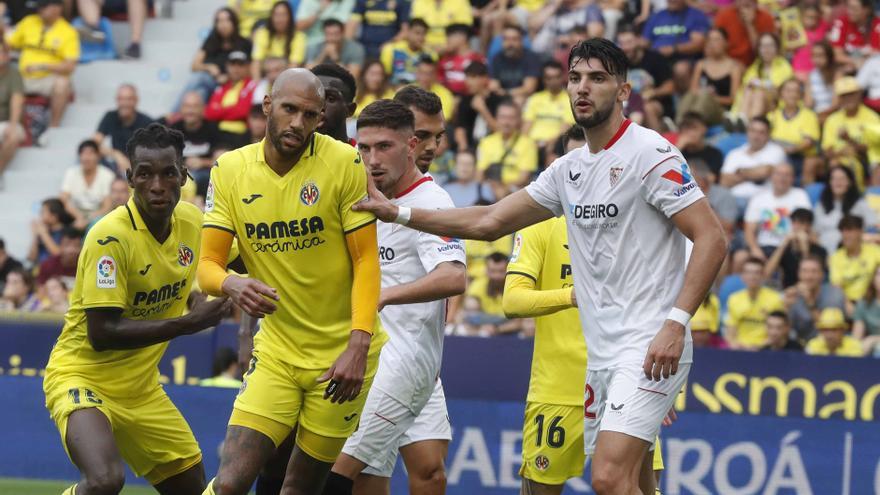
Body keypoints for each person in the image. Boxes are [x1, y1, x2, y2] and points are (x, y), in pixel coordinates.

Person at [353, 38, 727, 494]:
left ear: (624, 90)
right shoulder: (568, 170)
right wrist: (401, 213)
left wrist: (676, 322)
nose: (582, 89)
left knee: (609, 478)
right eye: (574, 78)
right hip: (601, 353)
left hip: (648, 343)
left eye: (597, 78)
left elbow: (711, 237)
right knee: (635, 482)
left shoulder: (651, 153)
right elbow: (489, 221)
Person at [198, 69, 386, 495]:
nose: (298, 124)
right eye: (289, 110)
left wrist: (358, 345)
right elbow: (208, 265)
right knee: (230, 483)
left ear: (322, 118)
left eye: (310, 115)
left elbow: (366, 261)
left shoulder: (344, 162)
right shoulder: (229, 170)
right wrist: (232, 284)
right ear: (268, 105)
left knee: (299, 488)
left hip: (341, 359)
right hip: (279, 352)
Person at [42, 123, 233, 495]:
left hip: (142, 390)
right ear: (130, 178)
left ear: (185, 176)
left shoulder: (193, 222)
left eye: (168, 173)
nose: (157, 185)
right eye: (145, 174)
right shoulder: (109, 237)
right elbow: (102, 333)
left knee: (191, 489)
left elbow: (232, 264)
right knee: (105, 481)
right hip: (82, 378)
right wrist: (187, 323)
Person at [503, 132, 667, 495]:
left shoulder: (633, 226)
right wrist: (574, 295)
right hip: (559, 390)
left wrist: (664, 387)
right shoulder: (540, 225)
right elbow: (512, 302)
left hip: (625, 383)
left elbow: (660, 307)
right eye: (576, 165)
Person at [324, 99, 466, 495]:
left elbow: (454, 277)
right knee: (367, 478)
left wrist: (382, 296)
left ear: (410, 145)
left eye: (383, 147)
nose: (371, 159)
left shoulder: (431, 203)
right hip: (364, 357)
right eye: (364, 149)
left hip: (404, 364)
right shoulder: (359, 197)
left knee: (337, 474)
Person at [5, 0, 78, 127]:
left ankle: (54, 127)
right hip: (22, 76)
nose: (40, 10)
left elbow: (70, 66)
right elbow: (8, 44)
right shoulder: (29, 21)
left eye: (44, 7)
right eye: (39, 7)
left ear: (57, 8)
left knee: (62, 83)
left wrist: (43, 66)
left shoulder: (68, 31)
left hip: (47, 79)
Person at [176, 7, 252, 111]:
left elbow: (248, 70)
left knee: (200, 77)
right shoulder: (212, 40)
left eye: (227, 20)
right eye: (219, 21)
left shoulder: (244, 43)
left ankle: (174, 113)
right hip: (212, 82)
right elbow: (194, 66)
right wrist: (209, 67)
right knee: (201, 92)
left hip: (231, 83)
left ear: (234, 22)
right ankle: (180, 117)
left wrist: (228, 77)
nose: (223, 24)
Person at [822, 76, 880, 190]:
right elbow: (827, 151)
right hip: (840, 160)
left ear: (859, 95)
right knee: (835, 164)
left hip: (867, 161)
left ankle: (875, 202)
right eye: (844, 95)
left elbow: (872, 150)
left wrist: (849, 140)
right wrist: (841, 153)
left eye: (851, 94)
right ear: (839, 98)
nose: (848, 98)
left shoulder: (872, 118)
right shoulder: (832, 119)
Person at [743, 163, 811, 260]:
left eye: (787, 175)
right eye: (778, 174)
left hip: (791, 246)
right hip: (764, 246)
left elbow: (805, 224)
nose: (782, 178)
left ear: (793, 178)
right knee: (740, 257)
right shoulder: (759, 198)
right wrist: (755, 249)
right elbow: (749, 229)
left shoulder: (800, 195)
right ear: (771, 177)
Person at [719, 116, 787, 204]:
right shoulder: (734, 153)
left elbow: (765, 172)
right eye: (753, 131)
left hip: (763, 201)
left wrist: (738, 172)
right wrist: (753, 175)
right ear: (747, 132)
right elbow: (724, 181)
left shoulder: (776, 150)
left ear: (768, 134)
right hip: (732, 199)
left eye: (761, 133)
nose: (756, 136)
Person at [476, 99, 538, 195]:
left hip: (515, 190)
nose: (506, 122)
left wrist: (503, 187)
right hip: (490, 187)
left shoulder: (528, 143)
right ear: (496, 118)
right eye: (503, 117)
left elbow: (524, 178)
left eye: (511, 118)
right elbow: (480, 174)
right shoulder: (486, 142)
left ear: (518, 120)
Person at [767, 78, 822, 184]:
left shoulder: (809, 115)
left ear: (800, 95)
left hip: (797, 157)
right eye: (788, 91)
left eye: (796, 91)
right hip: (774, 155)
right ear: (781, 94)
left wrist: (788, 150)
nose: (792, 94)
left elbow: (808, 142)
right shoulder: (772, 116)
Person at [724, 257, 784, 350]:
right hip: (740, 350)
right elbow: (730, 331)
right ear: (742, 276)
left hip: (766, 349)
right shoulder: (734, 299)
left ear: (763, 275)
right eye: (748, 272)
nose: (752, 276)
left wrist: (759, 346)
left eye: (757, 272)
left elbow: (778, 331)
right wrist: (735, 344)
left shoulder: (775, 299)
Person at [684, 27, 743, 120]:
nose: (712, 43)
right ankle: (680, 123)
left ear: (726, 43)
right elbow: (693, 91)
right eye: (710, 40)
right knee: (690, 96)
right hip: (698, 104)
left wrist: (712, 98)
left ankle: (691, 123)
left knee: (704, 97)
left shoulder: (734, 67)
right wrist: (703, 93)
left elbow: (734, 99)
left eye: (716, 40)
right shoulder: (701, 64)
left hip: (721, 110)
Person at [814, 166, 877, 254]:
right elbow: (814, 233)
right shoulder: (821, 205)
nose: (838, 182)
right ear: (829, 183)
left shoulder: (860, 204)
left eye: (842, 179)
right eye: (834, 179)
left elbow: (875, 227)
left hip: (852, 255)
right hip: (824, 253)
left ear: (850, 182)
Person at [171, 92, 223, 197]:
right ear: (181, 109)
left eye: (195, 106)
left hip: (205, 176)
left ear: (203, 109)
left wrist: (203, 162)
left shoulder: (213, 129)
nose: (190, 111)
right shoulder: (172, 130)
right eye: (187, 106)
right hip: (179, 175)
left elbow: (222, 159)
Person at [785, 255, 847, 342]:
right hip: (800, 346)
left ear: (822, 275)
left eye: (814, 272)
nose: (809, 276)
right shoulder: (793, 295)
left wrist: (810, 302)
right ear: (798, 274)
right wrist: (786, 308)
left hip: (828, 346)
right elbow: (782, 332)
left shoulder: (834, 294)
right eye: (804, 271)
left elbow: (831, 330)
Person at [94, 84, 154, 174]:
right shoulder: (110, 116)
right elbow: (94, 143)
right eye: (121, 99)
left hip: (140, 168)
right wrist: (116, 154)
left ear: (136, 100)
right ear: (116, 100)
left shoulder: (147, 122)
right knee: (90, 157)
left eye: (129, 99)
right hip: (116, 165)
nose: (124, 103)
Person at [733, 33, 793, 122]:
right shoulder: (755, 66)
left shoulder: (784, 65)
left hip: (776, 105)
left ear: (777, 48)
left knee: (759, 93)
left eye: (770, 45)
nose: (766, 49)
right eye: (763, 46)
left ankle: (749, 123)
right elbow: (745, 88)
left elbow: (778, 90)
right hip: (754, 103)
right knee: (750, 91)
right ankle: (742, 118)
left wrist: (758, 84)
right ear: (759, 49)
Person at [523, 61, 577, 157]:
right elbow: (526, 127)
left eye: (557, 77)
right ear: (543, 79)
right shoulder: (534, 98)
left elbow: (566, 127)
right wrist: (527, 144)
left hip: (554, 146)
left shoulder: (570, 100)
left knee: (553, 151)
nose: (553, 81)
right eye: (549, 78)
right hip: (532, 145)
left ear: (563, 77)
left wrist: (550, 142)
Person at [60, 140, 117, 230]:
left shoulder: (107, 175)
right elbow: (63, 199)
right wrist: (79, 217)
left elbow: (107, 206)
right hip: (74, 215)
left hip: (98, 217)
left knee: (97, 224)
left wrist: (87, 220)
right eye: (83, 154)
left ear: (98, 156)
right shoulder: (71, 172)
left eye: (90, 154)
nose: (86, 158)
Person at [764, 208, 827, 289]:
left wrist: (804, 247)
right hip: (788, 292)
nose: (798, 227)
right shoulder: (785, 249)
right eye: (794, 223)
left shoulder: (819, 250)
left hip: (811, 290)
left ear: (809, 227)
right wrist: (784, 243)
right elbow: (767, 273)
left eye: (802, 223)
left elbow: (809, 273)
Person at [393, 85, 446, 174]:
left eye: (438, 136)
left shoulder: (431, 188)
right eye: (421, 135)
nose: (432, 147)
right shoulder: (364, 178)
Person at [205, 51, 259, 137]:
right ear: (227, 67)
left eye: (240, 65)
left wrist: (220, 110)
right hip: (219, 133)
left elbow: (243, 111)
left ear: (248, 67)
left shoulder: (251, 85)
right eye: (232, 64)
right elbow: (209, 113)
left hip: (240, 134)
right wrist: (233, 108)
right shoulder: (221, 88)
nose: (236, 68)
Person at [829, 215, 880, 304]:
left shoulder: (874, 251)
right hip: (848, 302)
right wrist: (848, 305)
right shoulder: (836, 257)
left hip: (873, 301)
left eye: (849, 230)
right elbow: (837, 286)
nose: (845, 235)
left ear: (860, 231)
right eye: (843, 231)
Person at [252, 0, 308, 80]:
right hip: (266, 78)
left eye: (283, 15)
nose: (279, 19)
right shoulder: (262, 33)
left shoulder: (299, 37)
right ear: (271, 17)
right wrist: (256, 86)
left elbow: (293, 66)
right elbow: (256, 63)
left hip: (288, 81)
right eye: (276, 15)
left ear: (290, 17)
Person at [713, 0, 775, 66]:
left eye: (748, 3)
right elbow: (715, 49)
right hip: (729, 64)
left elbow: (763, 52)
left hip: (758, 64)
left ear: (755, 3)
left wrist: (750, 25)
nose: (744, 3)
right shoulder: (723, 16)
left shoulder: (766, 18)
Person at [489, 24, 540, 105]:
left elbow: (529, 88)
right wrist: (498, 91)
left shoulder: (531, 58)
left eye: (514, 39)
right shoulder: (497, 58)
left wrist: (506, 93)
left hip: (523, 97)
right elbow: (493, 84)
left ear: (521, 41)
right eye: (506, 39)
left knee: (518, 100)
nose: (510, 43)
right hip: (502, 96)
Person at [827, 0, 879, 73]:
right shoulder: (841, 22)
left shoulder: (877, 25)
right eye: (848, 7)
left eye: (854, 9)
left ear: (867, 10)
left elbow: (877, 54)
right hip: (847, 69)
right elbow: (837, 55)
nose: (849, 12)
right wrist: (855, 62)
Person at [312, 62, 358, 144]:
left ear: (350, 110)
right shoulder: (288, 155)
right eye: (313, 97)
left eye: (330, 99)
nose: (320, 106)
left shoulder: (362, 156)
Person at [380, 18, 433, 86]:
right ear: (408, 32)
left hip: (419, 93)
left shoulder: (429, 54)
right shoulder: (391, 50)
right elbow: (384, 76)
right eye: (417, 33)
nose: (421, 37)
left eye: (424, 34)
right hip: (394, 91)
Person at [0, 42, 24, 190]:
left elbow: (17, 101)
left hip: (6, 121)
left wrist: (13, 124)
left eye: (2, 52)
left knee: (13, 135)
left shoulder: (13, 74)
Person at [438, 23, 484, 96]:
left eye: (449, 36)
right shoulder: (444, 59)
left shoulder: (478, 59)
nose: (447, 40)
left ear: (462, 37)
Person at [28, 197, 73, 265]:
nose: (40, 215)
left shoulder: (68, 231)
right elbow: (31, 258)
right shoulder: (43, 232)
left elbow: (58, 254)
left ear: (54, 215)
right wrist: (35, 236)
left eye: (43, 212)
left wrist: (44, 233)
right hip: (40, 270)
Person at [804, 41, 840, 121]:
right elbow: (808, 103)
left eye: (820, 56)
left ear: (829, 56)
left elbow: (836, 104)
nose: (817, 60)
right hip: (816, 116)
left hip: (833, 116)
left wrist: (821, 116)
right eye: (814, 56)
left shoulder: (837, 75)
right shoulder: (810, 76)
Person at [413, 56, 454, 122]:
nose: (425, 77)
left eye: (429, 74)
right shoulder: (407, 90)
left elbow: (444, 118)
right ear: (416, 73)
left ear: (435, 75)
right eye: (422, 73)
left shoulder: (445, 93)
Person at [853, 266, 880, 356]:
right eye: (879, 274)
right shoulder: (864, 304)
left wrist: (874, 339)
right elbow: (857, 337)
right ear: (873, 279)